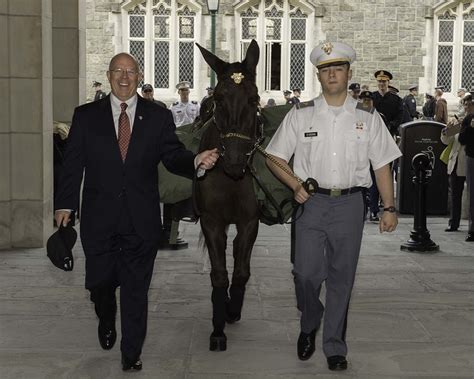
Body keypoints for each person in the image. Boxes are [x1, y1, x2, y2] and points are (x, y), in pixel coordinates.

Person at [54, 52, 219, 371]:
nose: (125, 76)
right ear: (110, 74)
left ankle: (131, 353)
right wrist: (65, 204)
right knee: (100, 284)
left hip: (141, 220)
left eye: (130, 71)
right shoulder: (86, 116)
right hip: (99, 219)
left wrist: (196, 161)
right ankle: (105, 316)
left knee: (135, 289)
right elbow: (72, 165)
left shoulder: (156, 117)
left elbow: (172, 155)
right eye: (118, 70)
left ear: (139, 75)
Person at [265, 41, 401, 371]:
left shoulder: (368, 117)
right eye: (326, 70)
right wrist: (295, 184)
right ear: (319, 75)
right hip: (311, 204)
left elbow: (382, 162)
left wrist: (389, 207)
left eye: (338, 68)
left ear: (348, 73)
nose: (332, 74)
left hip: (351, 205)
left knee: (342, 278)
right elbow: (274, 156)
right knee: (306, 274)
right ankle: (311, 320)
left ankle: (335, 346)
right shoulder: (301, 114)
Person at [441, 118, 466, 232]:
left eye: (470, 105)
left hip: (468, 162)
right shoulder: (458, 123)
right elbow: (446, 141)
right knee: (455, 195)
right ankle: (453, 223)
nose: (467, 107)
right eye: (465, 105)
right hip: (455, 164)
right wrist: (447, 130)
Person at [458, 91, 474, 242]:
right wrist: (470, 127)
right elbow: (462, 139)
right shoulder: (468, 119)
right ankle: (472, 229)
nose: (468, 107)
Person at [372, 70, 403, 137]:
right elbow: (364, 114)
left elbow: (399, 117)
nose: (381, 84)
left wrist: (390, 125)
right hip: (373, 132)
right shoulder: (370, 98)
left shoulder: (397, 100)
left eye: (384, 81)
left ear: (388, 82)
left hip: (389, 132)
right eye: (379, 81)